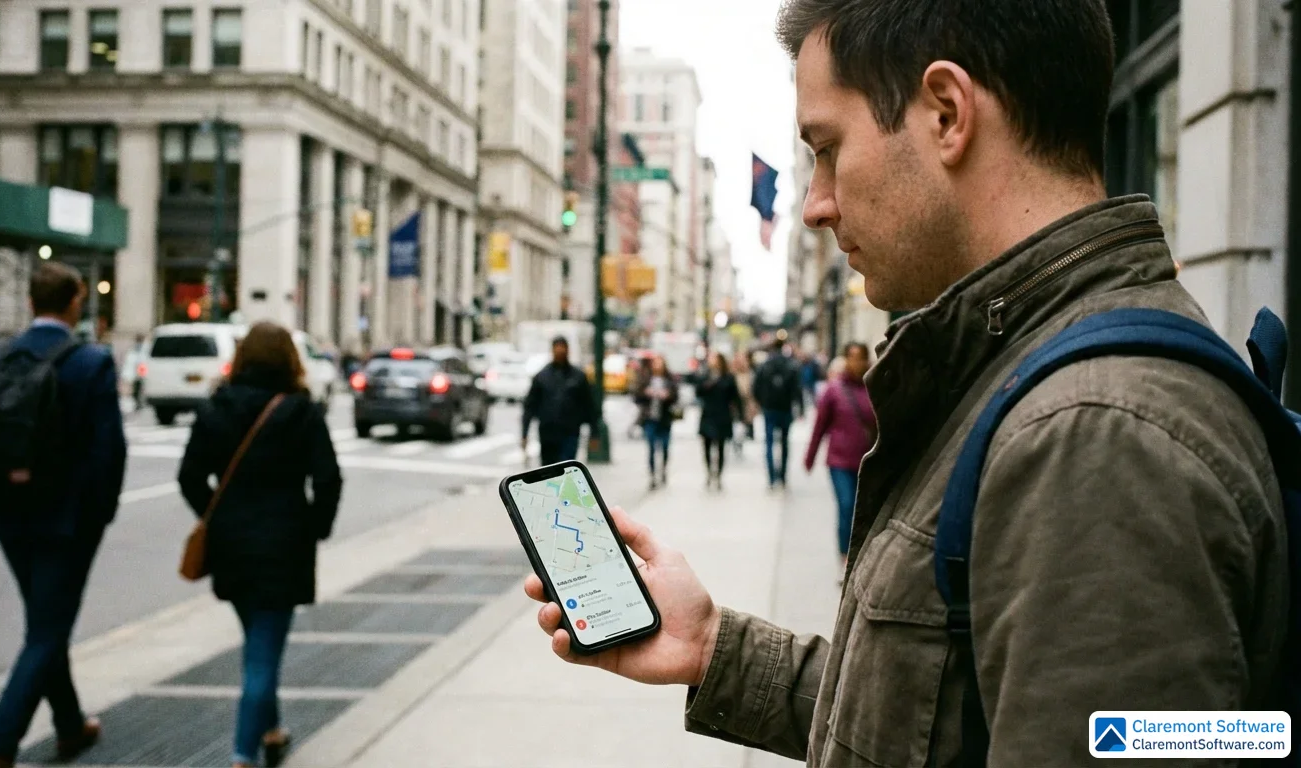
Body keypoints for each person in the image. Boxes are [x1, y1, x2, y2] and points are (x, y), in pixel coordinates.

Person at [520, 1, 1291, 764]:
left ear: (948, 114)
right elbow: (944, 719)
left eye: (828, 148)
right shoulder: (1024, 374)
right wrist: (717, 648)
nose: (817, 204)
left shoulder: (1096, 436)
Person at [0, 263, 126, 768]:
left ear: (32, 302)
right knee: (48, 629)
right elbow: (108, 452)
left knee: (44, 619)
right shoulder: (91, 363)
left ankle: (71, 725)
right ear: (75, 302)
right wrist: (97, 515)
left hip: (9, 515)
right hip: (67, 518)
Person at [178, 322, 342, 768]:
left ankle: (271, 731)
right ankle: (241, 756)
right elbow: (327, 478)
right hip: (284, 543)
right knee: (262, 656)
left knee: (258, 642)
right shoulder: (300, 410)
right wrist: (315, 526)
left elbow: (189, 475)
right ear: (290, 359)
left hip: (231, 544)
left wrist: (215, 515)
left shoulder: (217, 407)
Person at [804, 343, 876, 574]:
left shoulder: (874, 386)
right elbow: (820, 426)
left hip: (868, 460)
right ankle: (845, 558)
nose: (857, 363)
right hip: (840, 461)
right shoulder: (834, 390)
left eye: (861, 358)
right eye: (852, 358)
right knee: (846, 507)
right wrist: (810, 456)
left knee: (864, 510)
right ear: (845, 360)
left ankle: (862, 556)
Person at [521, 336, 594, 466]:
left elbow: (588, 405)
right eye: (557, 348)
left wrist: (594, 433)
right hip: (548, 432)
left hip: (570, 431)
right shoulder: (542, 376)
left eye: (563, 348)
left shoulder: (578, 376)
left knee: (567, 467)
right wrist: (524, 433)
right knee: (549, 469)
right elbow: (530, 406)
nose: (560, 351)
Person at [751, 338, 802, 489]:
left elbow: (756, 387)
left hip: (770, 408)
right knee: (785, 443)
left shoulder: (765, 365)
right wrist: (799, 407)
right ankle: (783, 476)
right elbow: (797, 388)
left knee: (769, 443)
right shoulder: (791, 365)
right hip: (785, 408)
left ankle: (772, 477)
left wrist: (762, 403)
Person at [695, 352, 743, 491]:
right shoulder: (705, 376)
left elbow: (735, 397)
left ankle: (719, 475)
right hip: (708, 415)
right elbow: (698, 392)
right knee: (707, 447)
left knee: (721, 447)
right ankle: (710, 473)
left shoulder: (728, 377)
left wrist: (740, 416)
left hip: (723, 416)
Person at [633, 356, 679, 490]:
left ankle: (663, 470)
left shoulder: (669, 380)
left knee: (664, 447)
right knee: (651, 447)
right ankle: (652, 474)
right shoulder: (646, 379)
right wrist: (646, 393)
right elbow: (636, 395)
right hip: (649, 419)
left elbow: (676, 396)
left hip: (665, 419)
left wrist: (667, 395)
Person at [730, 351, 758, 456]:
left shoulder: (750, 373)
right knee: (736, 425)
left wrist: (753, 404)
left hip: (745, 403)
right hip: (734, 403)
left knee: (742, 425)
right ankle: (736, 442)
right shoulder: (732, 374)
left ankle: (739, 442)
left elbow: (753, 390)